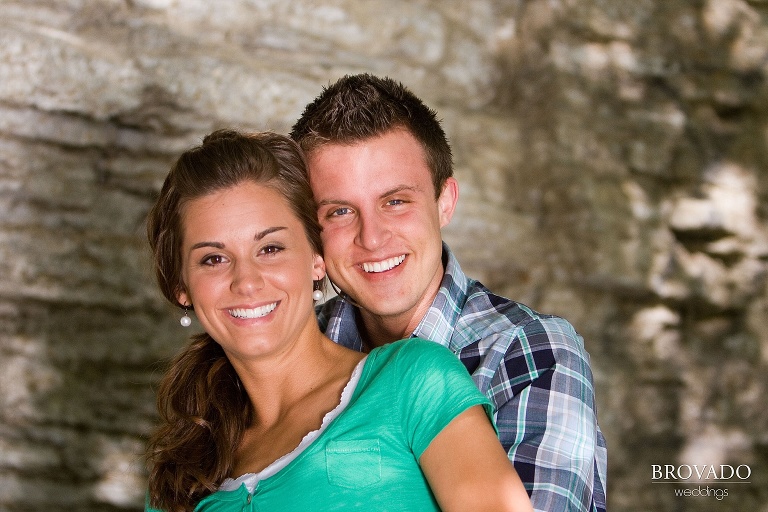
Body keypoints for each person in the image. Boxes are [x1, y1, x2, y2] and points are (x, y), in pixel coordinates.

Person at [143, 129, 533, 512]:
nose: (246, 282)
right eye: (213, 259)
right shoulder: (182, 468)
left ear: (316, 259)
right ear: (182, 285)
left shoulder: (414, 380)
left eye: (271, 248)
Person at [290, 74, 608, 512]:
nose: (373, 237)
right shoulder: (294, 348)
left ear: (445, 202)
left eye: (396, 201)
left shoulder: (529, 352)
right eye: (340, 211)